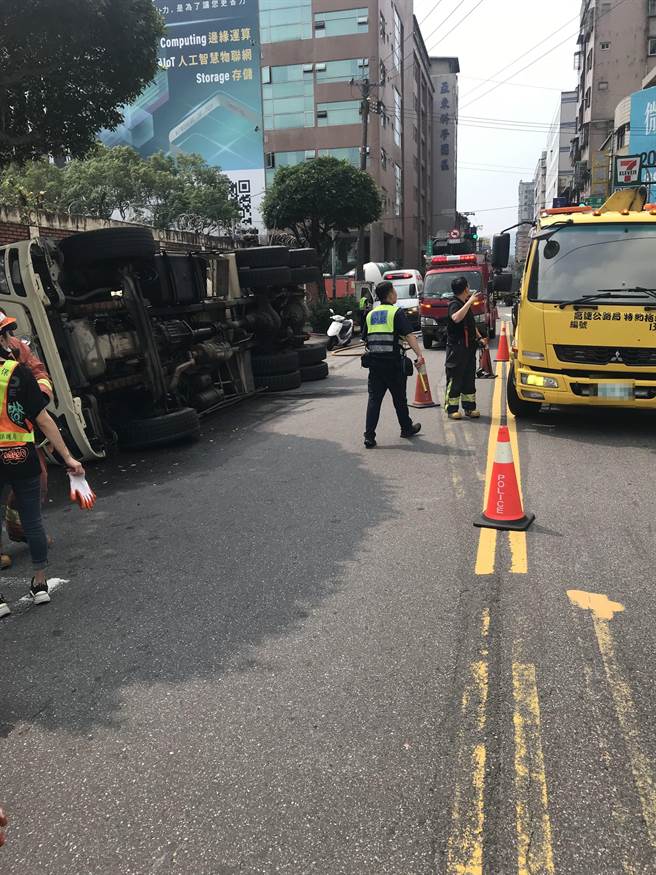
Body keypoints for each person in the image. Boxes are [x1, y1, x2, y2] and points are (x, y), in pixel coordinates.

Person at [0, 335, 84, 619]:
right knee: (33, 521)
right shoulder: (18, 372)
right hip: (22, 457)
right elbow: (44, 419)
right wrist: (68, 458)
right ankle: (39, 583)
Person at [0, 314, 54, 568]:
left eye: (9, 331)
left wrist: (40, 397)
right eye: (6, 332)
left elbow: (39, 372)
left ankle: (21, 527)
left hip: (21, 432)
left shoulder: (17, 348)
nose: (10, 338)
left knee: (38, 480)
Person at [362, 280, 424, 449]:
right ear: (389, 294)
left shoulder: (371, 315)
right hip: (394, 364)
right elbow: (410, 335)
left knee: (374, 400)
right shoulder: (396, 312)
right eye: (394, 291)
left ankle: (369, 436)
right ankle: (406, 428)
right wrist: (419, 354)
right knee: (399, 399)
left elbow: (366, 339)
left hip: (375, 365)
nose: (396, 294)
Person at [445, 276, 488, 419]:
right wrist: (469, 302)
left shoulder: (465, 305)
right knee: (455, 378)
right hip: (457, 349)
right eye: (468, 287)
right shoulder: (454, 304)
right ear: (465, 289)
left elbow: (471, 325)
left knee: (469, 378)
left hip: (469, 348)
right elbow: (456, 318)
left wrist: (480, 338)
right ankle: (452, 409)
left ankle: (469, 408)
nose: (469, 290)